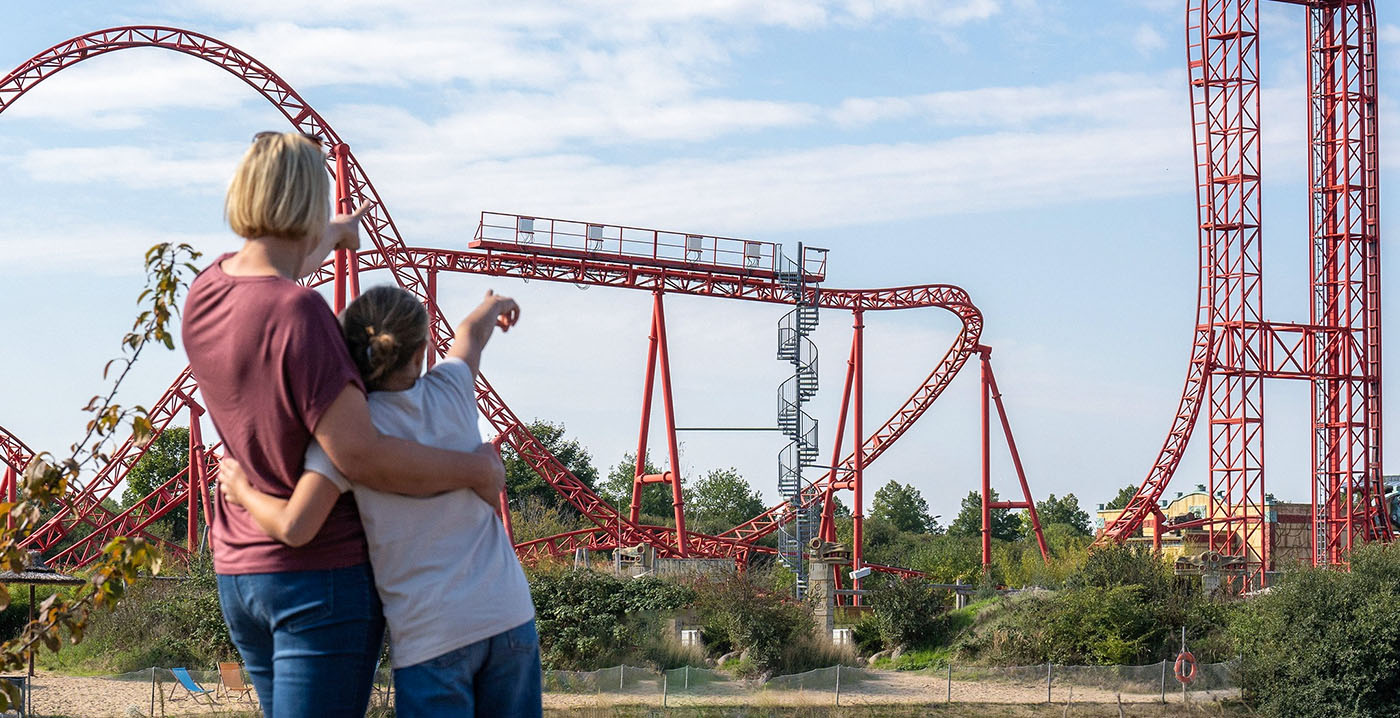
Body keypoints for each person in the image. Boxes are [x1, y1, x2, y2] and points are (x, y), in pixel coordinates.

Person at [182, 131, 506, 718]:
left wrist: (335, 232)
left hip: (238, 570)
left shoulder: (206, 290)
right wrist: (476, 469)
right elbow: (362, 455)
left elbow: (278, 261)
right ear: (306, 205)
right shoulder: (300, 315)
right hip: (318, 578)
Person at [220, 285, 542, 718]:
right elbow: (470, 333)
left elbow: (295, 526)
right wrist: (494, 304)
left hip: (431, 637)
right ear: (419, 354)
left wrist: (242, 491)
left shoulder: (348, 438)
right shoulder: (452, 388)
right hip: (509, 615)